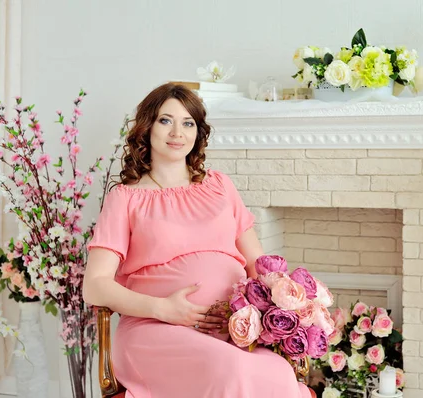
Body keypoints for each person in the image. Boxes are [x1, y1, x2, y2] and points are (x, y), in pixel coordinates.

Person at [83, 83, 313, 398]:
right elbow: (95, 284)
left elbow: (258, 265)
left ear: (197, 132)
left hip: (229, 332)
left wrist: (281, 309)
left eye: (188, 123)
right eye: (166, 120)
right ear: (147, 127)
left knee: (278, 373)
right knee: (230, 371)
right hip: (156, 332)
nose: (177, 132)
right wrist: (162, 309)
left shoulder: (220, 187)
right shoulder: (125, 199)